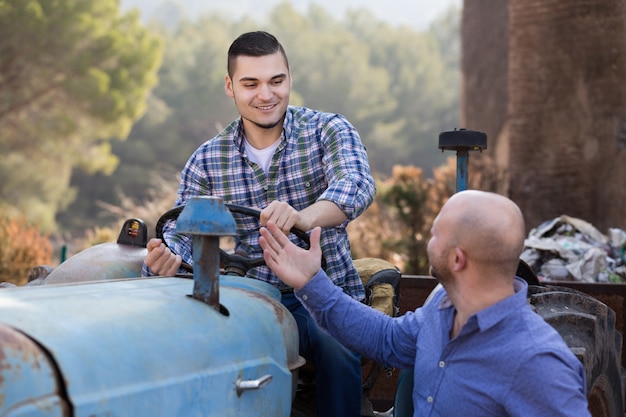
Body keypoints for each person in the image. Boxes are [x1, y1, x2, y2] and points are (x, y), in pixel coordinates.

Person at [142, 31, 376, 416]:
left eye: (276, 81)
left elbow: (356, 185)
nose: (266, 94)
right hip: (247, 296)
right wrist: (166, 257)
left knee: (335, 346)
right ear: (230, 87)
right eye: (251, 83)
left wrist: (303, 217)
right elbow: (184, 234)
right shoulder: (207, 160)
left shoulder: (328, 130)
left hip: (321, 290)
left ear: (289, 79)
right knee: (195, 344)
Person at [259, 190, 591, 417]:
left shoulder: (539, 362)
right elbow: (386, 339)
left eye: (435, 235)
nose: (429, 241)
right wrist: (311, 281)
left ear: (458, 259)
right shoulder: (444, 308)